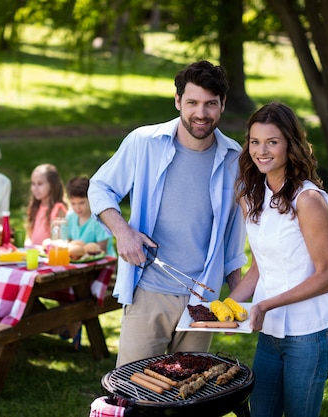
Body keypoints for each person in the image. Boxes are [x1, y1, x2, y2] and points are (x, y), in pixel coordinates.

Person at [88, 60, 247, 367]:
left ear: (223, 105)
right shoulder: (143, 143)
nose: (201, 113)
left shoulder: (235, 159)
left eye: (210, 104)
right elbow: (99, 188)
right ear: (178, 101)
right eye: (192, 103)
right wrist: (124, 232)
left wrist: (237, 300)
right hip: (149, 292)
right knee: (133, 392)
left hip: (204, 299)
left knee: (189, 395)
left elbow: (232, 239)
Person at [229, 102, 328, 417]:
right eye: (255, 141)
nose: (261, 150)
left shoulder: (308, 200)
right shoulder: (251, 196)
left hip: (308, 334)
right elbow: (258, 268)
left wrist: (265, 305)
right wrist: (227, 308)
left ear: (290, 145)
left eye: (272, 142)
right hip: (271, 333)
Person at [66, 176, 115, 257]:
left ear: (90, 199)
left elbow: (102, 249)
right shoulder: (70, 217)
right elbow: (68, 241)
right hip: (79, 261)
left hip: (103, 263)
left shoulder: (99, 219)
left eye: (81, 203)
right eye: (73, 203)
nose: (77, 208)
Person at [24, 163, 67, 247]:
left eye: (40, 184)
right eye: (33, 183)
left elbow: (60, 240)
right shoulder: (34, 207)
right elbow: (29, 236)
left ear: (52, 185)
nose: (35, 188)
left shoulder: (58, 209)